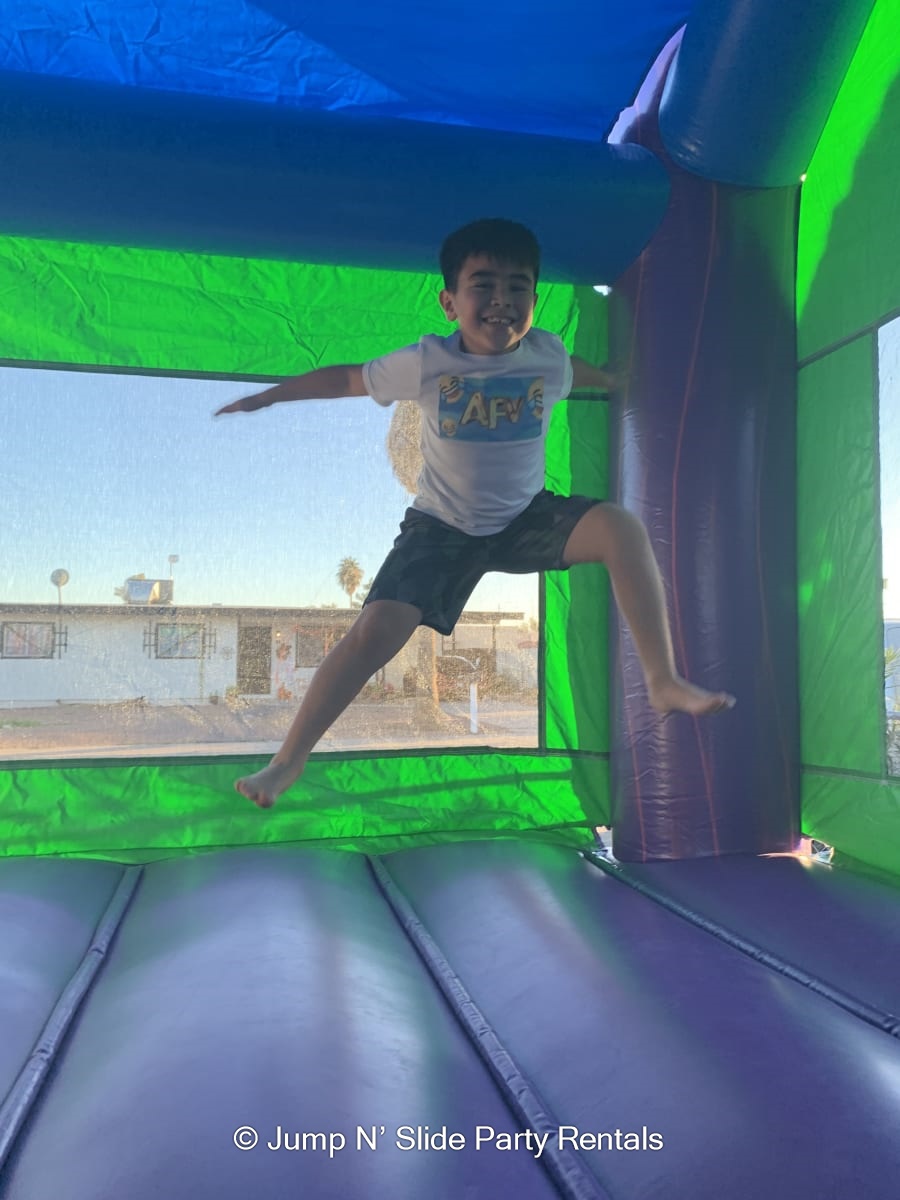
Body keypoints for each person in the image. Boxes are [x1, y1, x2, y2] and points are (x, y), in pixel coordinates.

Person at [216, 218, 734, 808]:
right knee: (374, 633)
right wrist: (270, 395)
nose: (501, 300)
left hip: (524, 518)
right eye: (483, 285)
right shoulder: (427, 362)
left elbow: (573, 370)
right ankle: (287, 760)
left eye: (517, 287)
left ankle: (662, 679)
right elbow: (348, 378)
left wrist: (612, 378)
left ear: (533, 300)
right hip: (441, 528)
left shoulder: (546, 356)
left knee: (621, 527)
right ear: (450, 302)